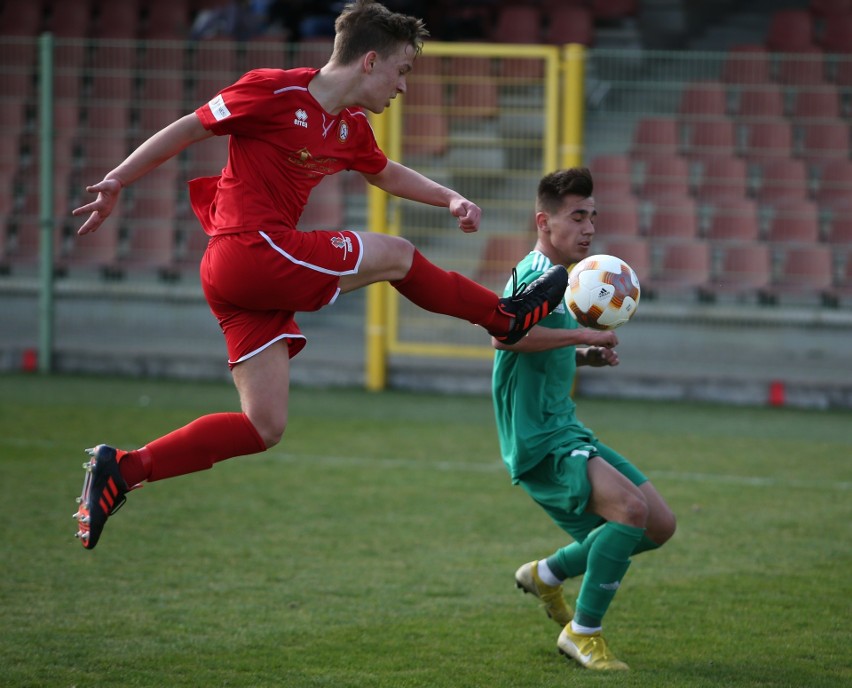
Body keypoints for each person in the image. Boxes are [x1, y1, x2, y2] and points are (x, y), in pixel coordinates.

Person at [71, 0, 567, 550]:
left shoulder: (350, 126)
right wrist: (117, 179)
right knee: (397, 255)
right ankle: (504, 317)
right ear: (370, 61)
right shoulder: (274, 90)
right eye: (402, 71)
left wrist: (448, 196)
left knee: (264, 425)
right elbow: (189, 128)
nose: (403, 87)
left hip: (243, 275)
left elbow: (385, 173)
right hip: (250, 248)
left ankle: (124, 469)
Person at [490, 168, 676, 671]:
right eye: (577, 216)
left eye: (593, 215)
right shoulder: (536, 277)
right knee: (629, 513)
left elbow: (537, 350)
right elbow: (504, 336)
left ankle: (548, 574)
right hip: (539, 438)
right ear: (543, 222)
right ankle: (583, 632)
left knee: (658, 524)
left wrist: (582, 357)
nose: (589, 227)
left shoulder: (567, 279)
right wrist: (582, 338)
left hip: (564, 427)